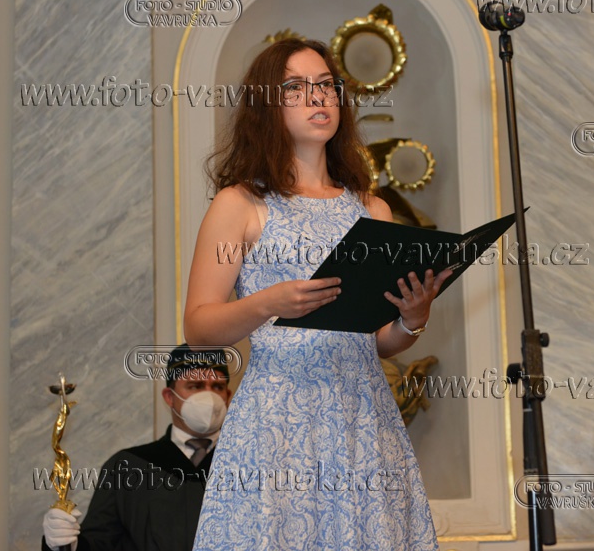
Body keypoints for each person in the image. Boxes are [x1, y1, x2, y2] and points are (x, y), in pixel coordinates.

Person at [183, 38, 450, 550]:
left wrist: (412, 318)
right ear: (267, 105)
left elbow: (377, 340)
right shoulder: (240, 204)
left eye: (326, 85)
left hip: (362, 415)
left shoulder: (372, 209)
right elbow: (198, 328)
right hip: (277, 420)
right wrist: (269, 303)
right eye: (296, 87)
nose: (318, 96)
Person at [41, 345, 233, 551]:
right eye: (195, 386)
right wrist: (64, 544)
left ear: (229, 396)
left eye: (217, 387)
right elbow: (100, 543)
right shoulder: (128, 467)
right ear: (169, 397)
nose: (208, 397)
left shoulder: (247, 465)